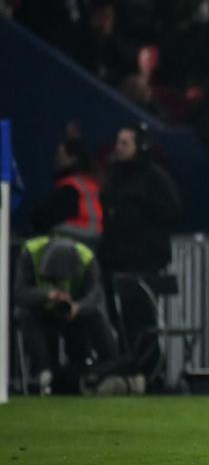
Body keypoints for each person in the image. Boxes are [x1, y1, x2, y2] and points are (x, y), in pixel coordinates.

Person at [14, 236, 121, 395]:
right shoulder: (31, 253)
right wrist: (47, 295)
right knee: (25, 316)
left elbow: (95, 295)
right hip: (39, 312)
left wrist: (77, 307)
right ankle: (43, 371)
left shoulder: (87, 259)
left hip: (73, 315)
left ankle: (108, 368)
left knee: (95, 316)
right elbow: (20, 294)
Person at [99, 123, 183, 275]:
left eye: (124, 143)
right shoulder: (115, 175)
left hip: (145, 259)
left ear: (140, 146)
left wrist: (140, 205)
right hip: (116, 258)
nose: (118, 148)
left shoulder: (155, 177)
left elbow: (173, 212)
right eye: (118, 142)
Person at [31, 139, 104, 246]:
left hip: (73, 241)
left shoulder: (69, 188)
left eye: (60, 155)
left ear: (72, 159)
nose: (56, 159)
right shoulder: (91, 184)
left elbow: (44, 218)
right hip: (94, 241)